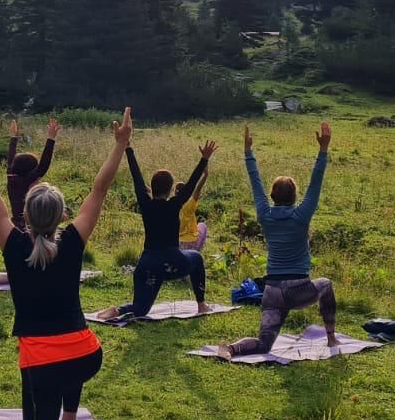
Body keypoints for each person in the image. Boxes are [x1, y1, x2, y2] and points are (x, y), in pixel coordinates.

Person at [0, 102, 132, 420]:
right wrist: (120, 146)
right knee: (68, 371)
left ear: (24, 213)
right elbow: (99, 189)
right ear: (62, 216)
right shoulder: (73, 242)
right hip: (87, 356)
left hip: (41, 363)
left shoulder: (13, 244)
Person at [213, 122, 335, 359]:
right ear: (295, 197)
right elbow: (315, 183)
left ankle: (231, 348)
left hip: (272, 292)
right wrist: (323, 150)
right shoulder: (301, 215)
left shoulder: (265, 214)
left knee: (264, 343)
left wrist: (248, 152)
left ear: (272, 197)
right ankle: (331, 338)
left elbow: (255, 182)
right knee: (326, 284)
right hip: (298, 291)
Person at [97, 138, 216, 322]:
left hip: (147, 264)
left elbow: (137, 178)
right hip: (172, 262)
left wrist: (128, 149)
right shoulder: (174, 205)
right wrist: (204, 159)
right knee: (197, 258)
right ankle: (201, 304)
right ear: (170, 190)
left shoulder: (146, 204)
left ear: (152, 188)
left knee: (140, 308)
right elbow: (191, 184)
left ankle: (117, 310)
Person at [0, 117, 60, 289]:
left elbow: (11, 159)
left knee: (20, 270)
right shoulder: (26, 180)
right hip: (27, 228)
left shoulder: (12, 176)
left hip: (14, 227)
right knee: (27, 270)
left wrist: (13, 138)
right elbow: (43, 166)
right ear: (30, 172)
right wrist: (51, 139)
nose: (38, 178)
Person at [177, 166, 209, 252]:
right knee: (202, 226)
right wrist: (205, 175)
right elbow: (198, 189)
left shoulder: (171, 206)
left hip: (178, 243)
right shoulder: (189, 204)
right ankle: (197, 252)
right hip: (192, 241)